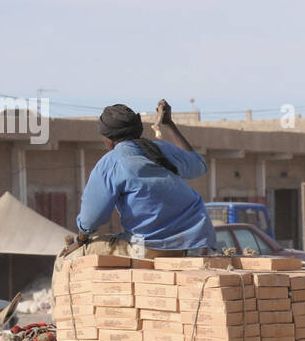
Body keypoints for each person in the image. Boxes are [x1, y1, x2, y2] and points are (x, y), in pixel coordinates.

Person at [75, 100, 216, 256]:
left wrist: (81, 240)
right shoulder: (161, 149)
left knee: (68, 258)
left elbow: (92, 217)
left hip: (149, 245)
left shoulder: (112, 162)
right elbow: (198, 164)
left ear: (107, 138)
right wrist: (170, 124)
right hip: (192, 241)